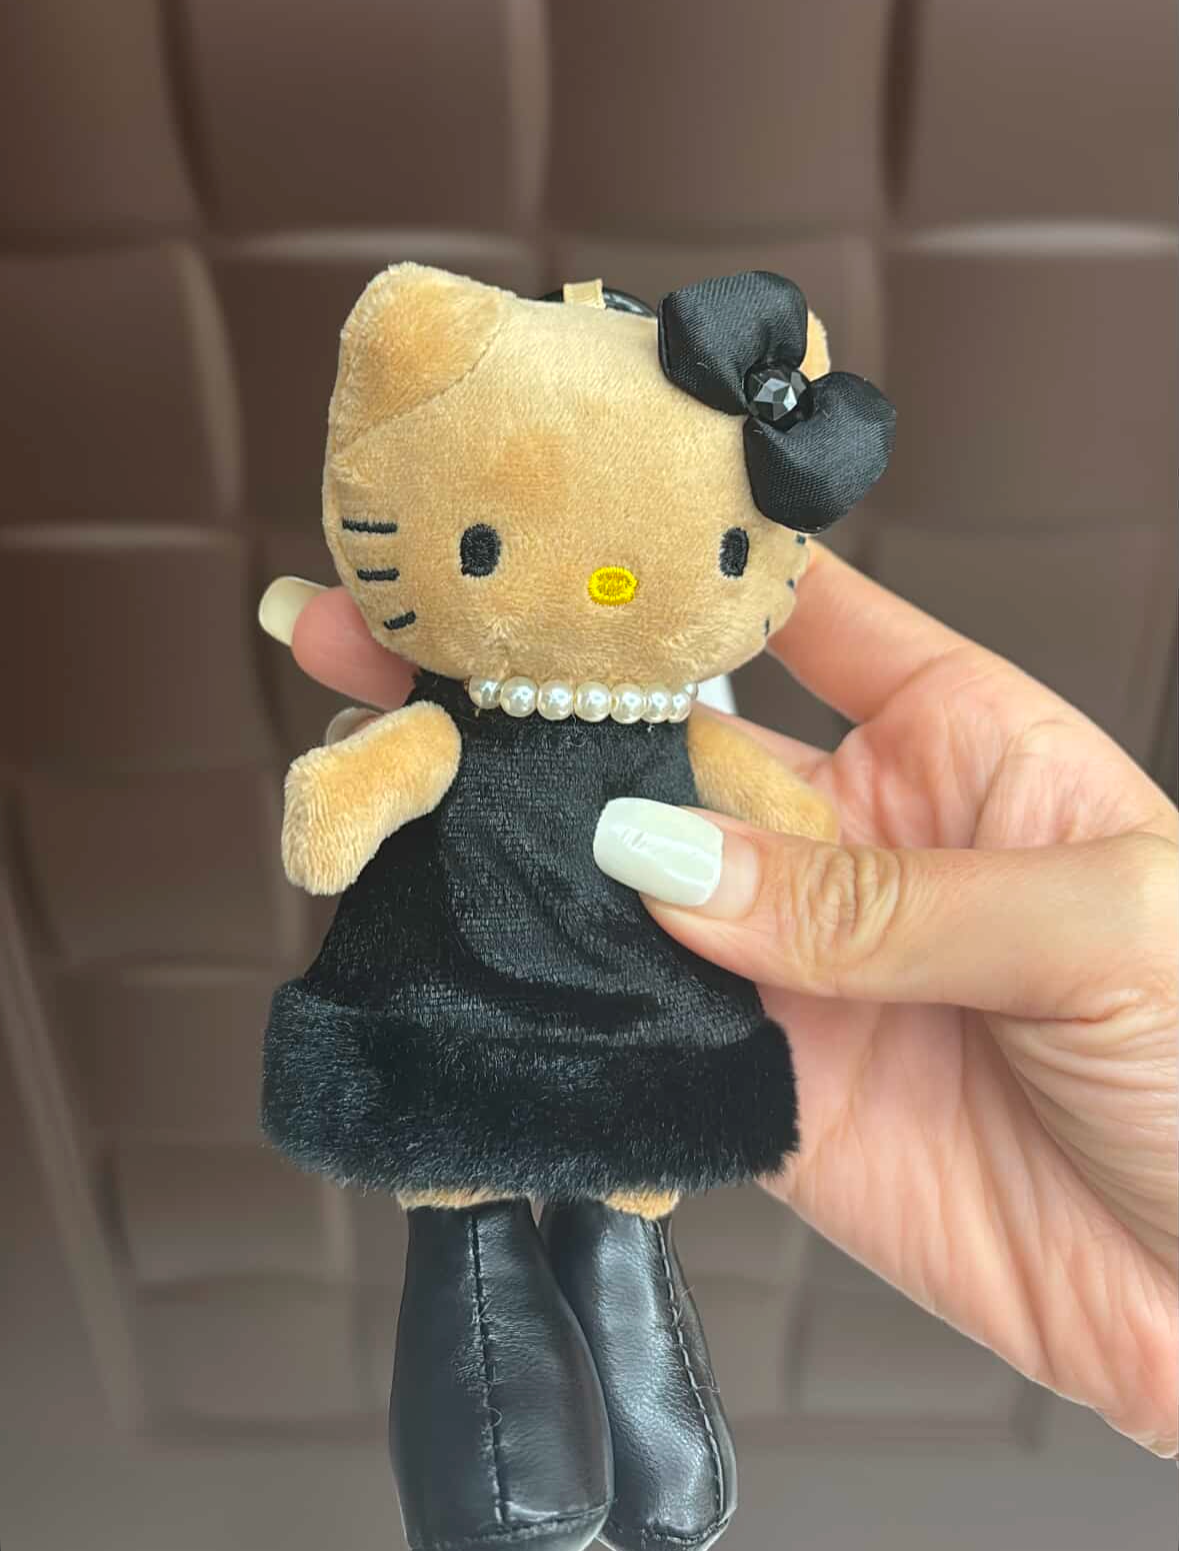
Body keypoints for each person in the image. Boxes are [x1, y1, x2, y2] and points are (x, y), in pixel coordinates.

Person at [259, 543, 1178, 1458]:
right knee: (492, 1227)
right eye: (481, 546)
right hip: (502, 1002)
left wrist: (833, 894)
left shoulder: (663, 732)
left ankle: (605, 1468)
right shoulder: (458, 721)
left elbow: (801, 827)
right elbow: (342, 818)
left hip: (542, 1003)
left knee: (604, 1224)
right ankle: (541, 1470)